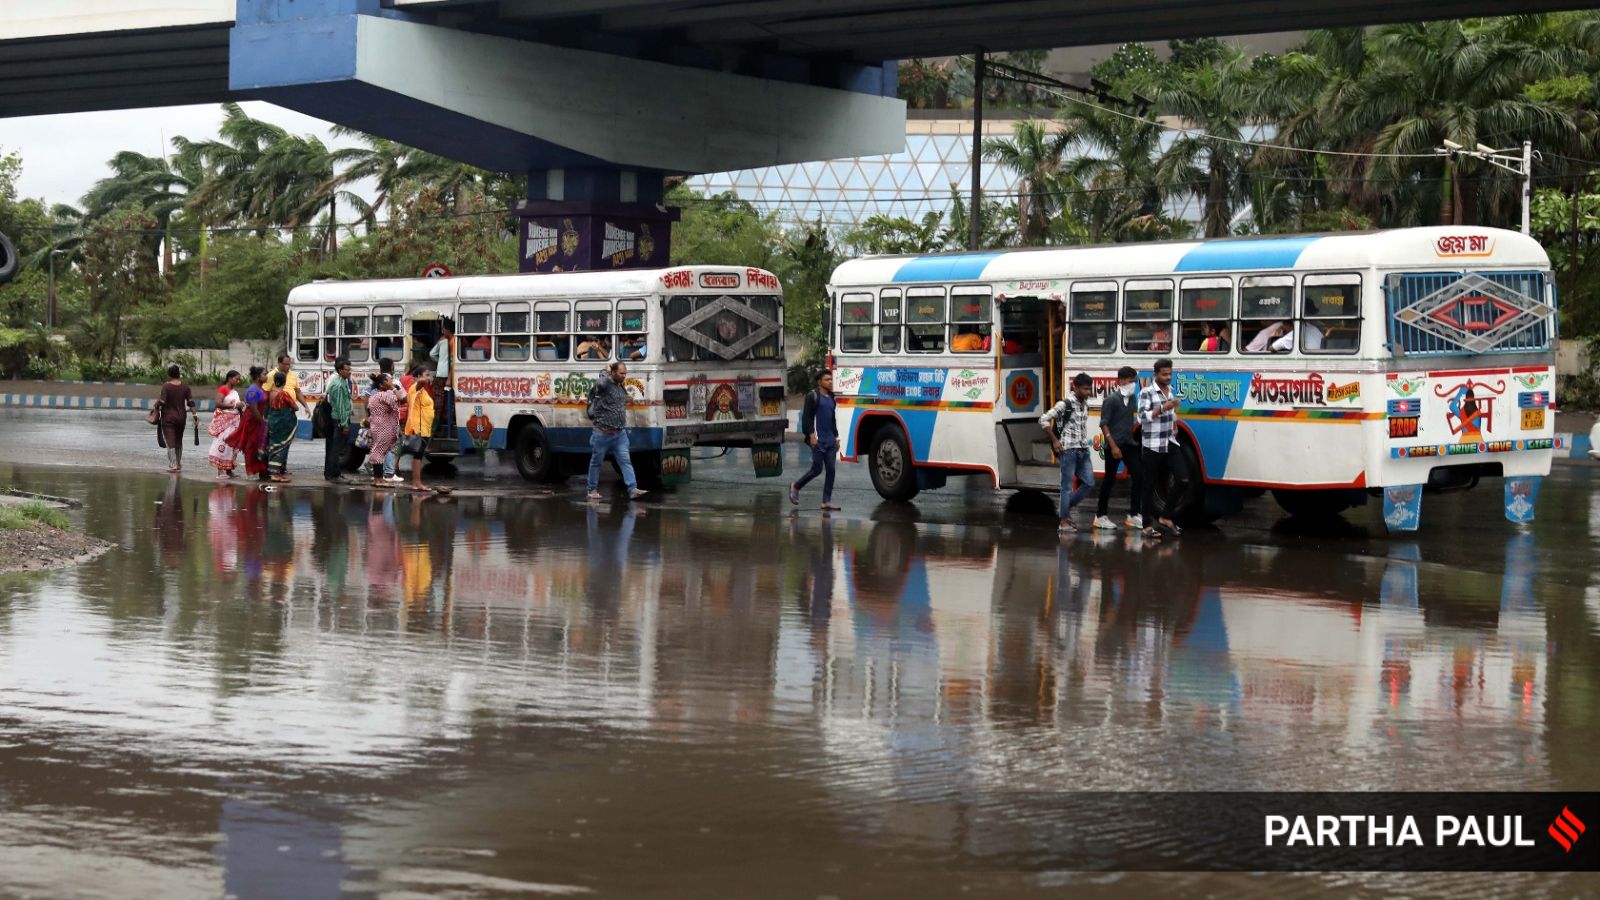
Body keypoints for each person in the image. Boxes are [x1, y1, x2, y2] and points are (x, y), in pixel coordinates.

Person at [1137, 358, 1186, 539]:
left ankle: (1165, 517)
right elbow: (1142, 418)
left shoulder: (1170, 391)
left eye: (1170, 374)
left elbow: (1171, 414)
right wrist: (1164, 407)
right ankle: (1147, 525)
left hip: (1170, 442)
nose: (1168, 377)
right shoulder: (1147, 393)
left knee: (1183, 478)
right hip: (1153, 445)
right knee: (1148, 485)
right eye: (1164, 374)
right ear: (1156, 374)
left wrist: (1174, 424)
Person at [585, 360, 648, 501]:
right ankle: (591, 489)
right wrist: (605, 370)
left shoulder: (620, 386)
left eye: (625, 373)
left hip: (619, 434)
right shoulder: (605, 384)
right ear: (613, 372)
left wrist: (626, 399)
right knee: (596, 462)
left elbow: (615, 401)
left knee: (625, 461)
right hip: (602, 433)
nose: (624, 376)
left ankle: (632, 489)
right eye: (621, 373)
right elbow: (600, 383)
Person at [1041, 372, 1095, 533]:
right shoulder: (1064, 404)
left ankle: (1064, 509)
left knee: (1089, 483)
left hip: (1083, 450)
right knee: (1066, 487)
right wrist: (1055, 441)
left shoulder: (1085, 403)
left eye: (1089, 389)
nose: (1088, 392)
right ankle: (1063, 521)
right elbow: (1043, 419)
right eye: (1085, 389)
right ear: (1075, 388)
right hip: (1068, 451)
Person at [1092, 366, 1143, 531]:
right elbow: (1104, 424)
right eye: (1130, 381)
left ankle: (1134, 515)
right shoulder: (1111, 400)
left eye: (1134, 381)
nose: (1133, 384)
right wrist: (1112, 445)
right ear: (1121, 381)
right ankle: (1100, 516)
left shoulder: (1133, 399)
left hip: (1129, 444)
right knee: (1109, 480)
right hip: (1113, 445)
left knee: (1138, 475)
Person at [790, 371, 841, 511]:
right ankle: (796, 486)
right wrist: (811, 435)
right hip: (818, 439)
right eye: (826, 379)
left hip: (830, 440)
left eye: (831, 379)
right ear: (819, 382)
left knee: (831, 470)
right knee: (817, 469)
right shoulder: (812, 396)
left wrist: (836, 437)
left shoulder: (831, 397)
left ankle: (826, 501)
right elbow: (807, 417)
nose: (830, 381)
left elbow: (832, 419)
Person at [229, 367, 270, 482]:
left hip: (260, 420)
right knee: (251, 447)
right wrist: (262, 422)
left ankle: (262, 470)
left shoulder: (261, 389)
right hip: (252, 421)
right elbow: (253, 409)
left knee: (261, 446)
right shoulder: (253, 390)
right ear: (258, 377)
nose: (266, 376)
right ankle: (251, 471)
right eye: (264, 374)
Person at [365, 371, 406, 485]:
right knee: (380, 452)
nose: (392, 382)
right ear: (382, 384)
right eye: (389, 380)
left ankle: (378, 478)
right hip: (384, 426)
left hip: (377, 425)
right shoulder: (385, 395)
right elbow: (402, 399)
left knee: (378, 451)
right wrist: (394, 388)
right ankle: (378, 479)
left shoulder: (375, 395)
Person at [400, 366, 436, 492]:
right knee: (418, 455)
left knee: (419, 455)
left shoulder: (422, 391)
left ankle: (417, 482)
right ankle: (417, 482)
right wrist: (421, 380)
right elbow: (420, 383)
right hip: (418, 427)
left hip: (424, 426)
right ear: (419, 376)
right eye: (427, 375)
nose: (428, 378)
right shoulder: (415, 388)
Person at [156, 364, 196, 473]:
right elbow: (191, 402)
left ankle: (173, 464)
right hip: (181, 417)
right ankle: (178, 463)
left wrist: (156, 405)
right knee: (179, 439)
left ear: (169, 374)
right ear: (178, 374)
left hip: (168, 417)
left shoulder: (166, 386)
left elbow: (162, 401)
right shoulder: (185, 387)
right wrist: (195, 416)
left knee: (170, 440)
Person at [322, 357, 355, 483]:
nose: (349, 372)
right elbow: (340, 407)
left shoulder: (341, 381)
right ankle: (333, 475)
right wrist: (345, 424)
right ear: (340, 370)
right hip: (339, 421)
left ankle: (334, 474)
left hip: (338, 419)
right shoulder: (338, 385)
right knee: (335, 449)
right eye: (347, 369)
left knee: (335, 448)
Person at [207, 370, 245, 477]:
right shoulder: (223, 389)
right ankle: (221, 471)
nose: (238, 381)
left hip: (235, 422)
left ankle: (229, 470)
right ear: (229, 378)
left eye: (239, 379)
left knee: (232, 447)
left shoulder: (235, 392)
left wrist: (241, 406)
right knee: (223, 444)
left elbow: (238, 407)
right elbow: (218, 404)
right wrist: (234, 406)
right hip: (226, 422)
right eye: (236, 379)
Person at [265, 370, 298, 482]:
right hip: (284, 424)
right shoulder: (284, 394)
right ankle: (275, 474)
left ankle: (274, 472)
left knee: (274, 445)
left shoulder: (271, 392)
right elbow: (295, 407)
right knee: (282, 447)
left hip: (273, 422)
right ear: (284, 382)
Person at [430, 317, 455, 438]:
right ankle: (446, 424)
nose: (442, 332)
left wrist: (439, 361)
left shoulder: (447, 341)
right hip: (448, 376)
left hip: (442, 375)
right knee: (447, 402)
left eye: (443, 330)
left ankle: (434, 429)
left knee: (437, 403)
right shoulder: (452, 340)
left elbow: (432, 354)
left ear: (446, 330)